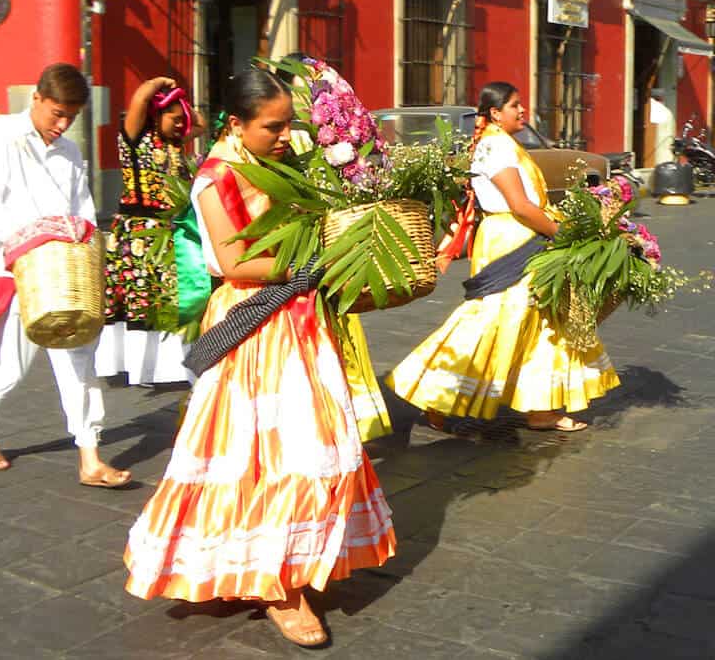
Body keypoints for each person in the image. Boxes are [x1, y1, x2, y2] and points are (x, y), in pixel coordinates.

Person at [124, 69, 396, 647]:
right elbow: (232, 262)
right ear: (236, 124)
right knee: (268, 453)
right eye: (273, 125)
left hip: (298, 318)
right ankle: (280, 587)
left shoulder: (278, 163)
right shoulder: (214, 178)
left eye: (290, 122)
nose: (285, 134)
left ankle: (280, 562)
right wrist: (310, 264)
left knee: (309, 444)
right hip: (255, 328)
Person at [386, 81, 620, 432]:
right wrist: (561, 233)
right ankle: (431, 390)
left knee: (540, 320)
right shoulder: (496, 147)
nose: (522, 110)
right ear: (495, 113)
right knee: (495, 320)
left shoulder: (500, 144)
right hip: (513, 239)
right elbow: (521, 206)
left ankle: (540, 408)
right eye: (514, 105)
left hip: (516, 234)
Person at [0, 63, 131, 487]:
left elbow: (83, 205)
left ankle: (90, 454)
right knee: (10, 362)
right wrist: (27, 242)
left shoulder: (69, 150)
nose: (62, 124)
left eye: (70, 116)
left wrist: (84, 239)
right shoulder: (2, 136)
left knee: (79, 360)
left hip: (66, 269)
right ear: (36, 98)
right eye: (56, 113)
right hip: (18, 268)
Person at [274, 53, 392, 443]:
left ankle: (346, 419)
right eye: (302, 86)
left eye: (315, 86)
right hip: (291, 247)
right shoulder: (279, 138)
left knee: (341, 325)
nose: (311, 94)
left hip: (329, 241)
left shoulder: (332, 129)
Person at [95, 76, 205, 385]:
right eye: (174, 118)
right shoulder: (134, 139)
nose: (181, 125)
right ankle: (133, 366)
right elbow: (139, 101)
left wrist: (182, 103)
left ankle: (166, 368)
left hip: (167, 232)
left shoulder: (175, 144)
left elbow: (202, 123)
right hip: (137, 233)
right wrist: (159, 83)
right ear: (156, 114)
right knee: (138, 298)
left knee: (166, 298)